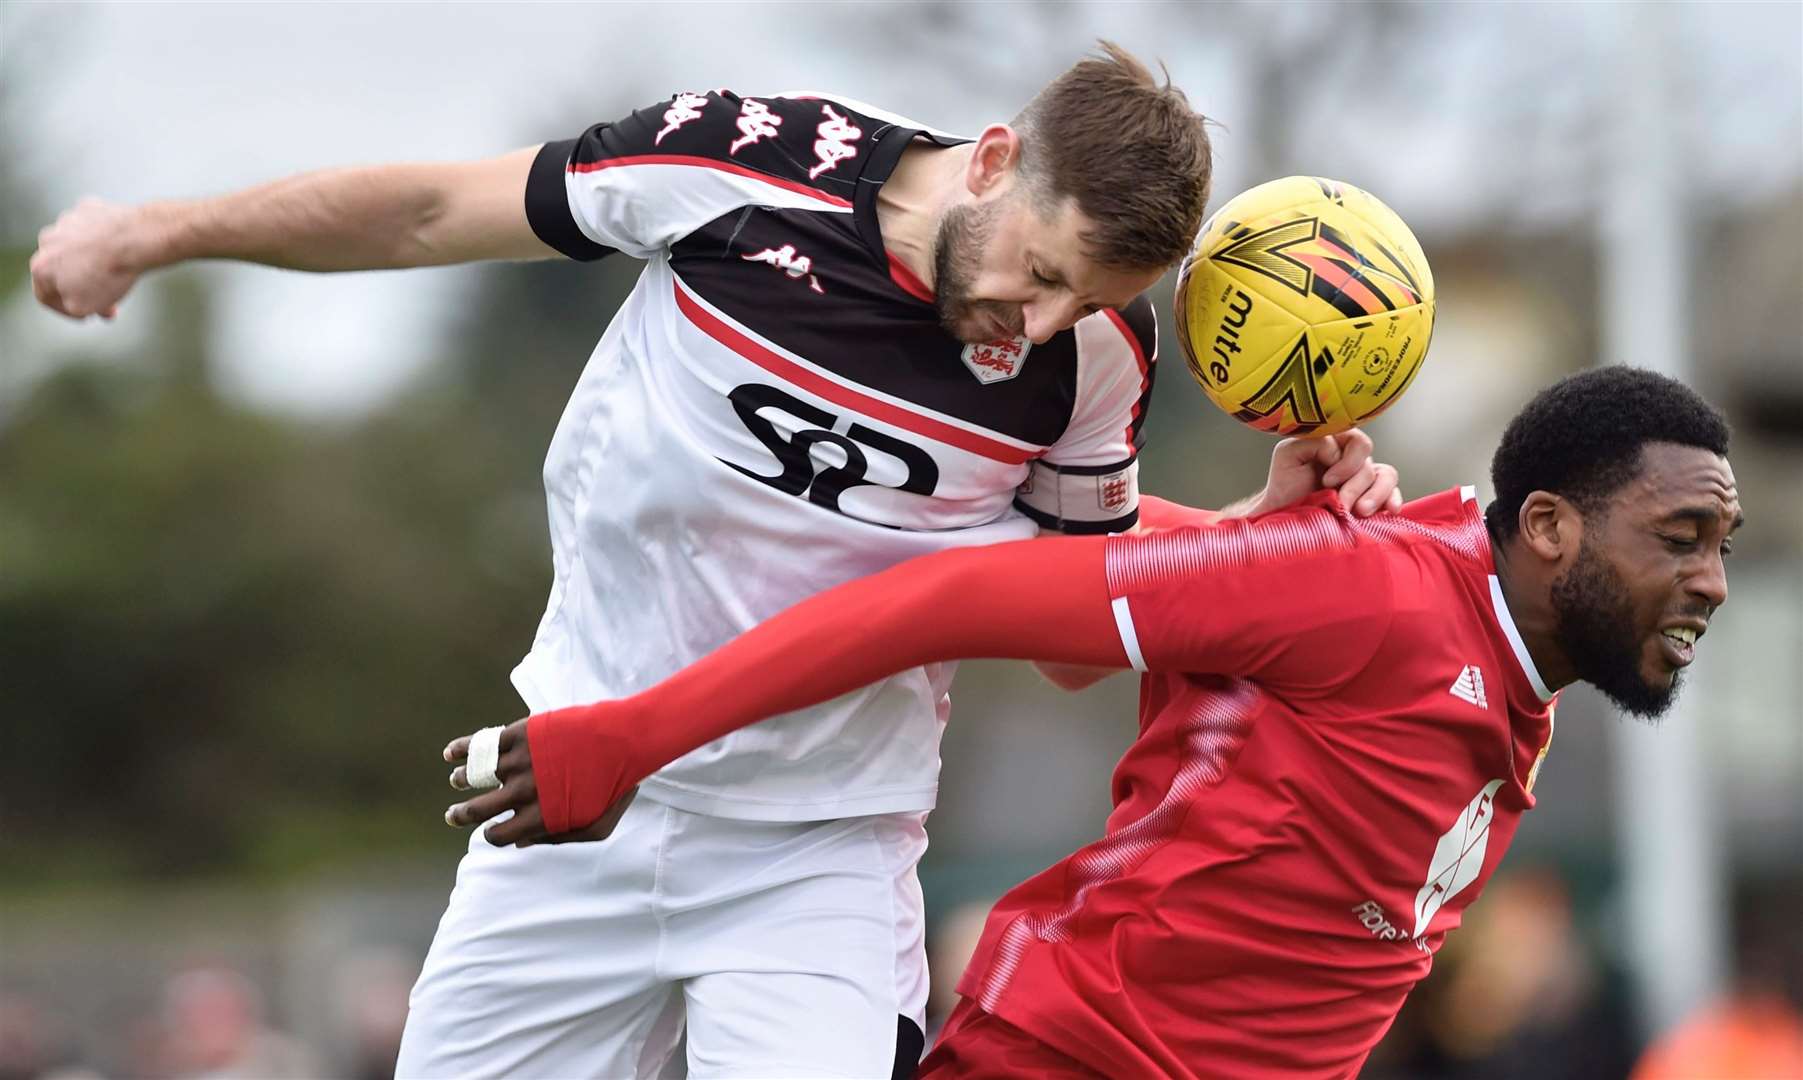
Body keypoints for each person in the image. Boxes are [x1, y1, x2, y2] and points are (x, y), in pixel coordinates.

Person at [31, 42, 1404, 1078]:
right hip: (566, 809)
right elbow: (430, 215)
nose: (1040, 323)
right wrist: (157, 233)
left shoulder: (1098, 359)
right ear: (993, 160)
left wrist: (1253, 541)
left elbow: (1061, 628)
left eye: (1084, 303)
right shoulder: (740, 167)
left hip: (819, 852)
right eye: (1039, 272)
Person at [446, 366, 1741, 1078]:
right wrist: (630, 735)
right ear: (1554, 528)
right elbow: (949, 590)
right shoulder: (1375, 593)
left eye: (1722, 545)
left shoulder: (1491, 646)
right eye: (1680, 539)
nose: (1712, 582)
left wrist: (1237, 529)